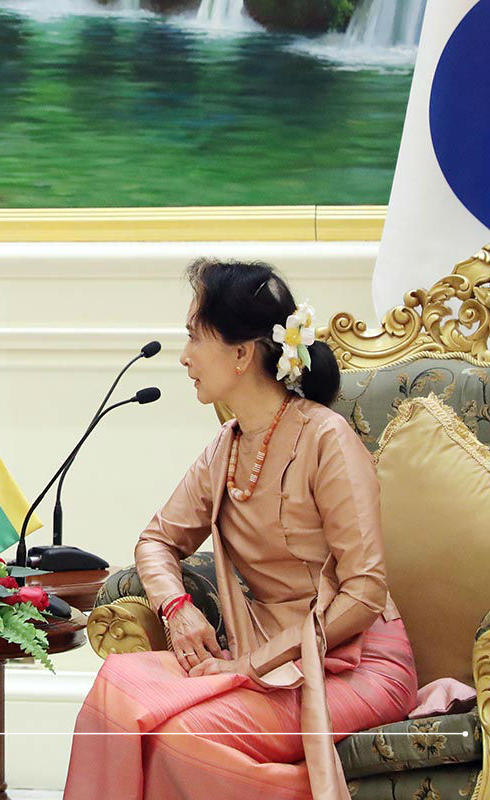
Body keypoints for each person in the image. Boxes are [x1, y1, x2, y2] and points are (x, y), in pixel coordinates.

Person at [64, 259, 416, 800]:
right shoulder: (225, 449)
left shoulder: (328, 440)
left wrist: (256, 663)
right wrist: (177, 611)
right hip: (259, 659)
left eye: (193, 337)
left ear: (241, 353)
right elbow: (157, 541)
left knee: (178, 739)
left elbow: (365, 593)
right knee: (115, 689)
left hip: (354, 666)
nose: (183, 357)